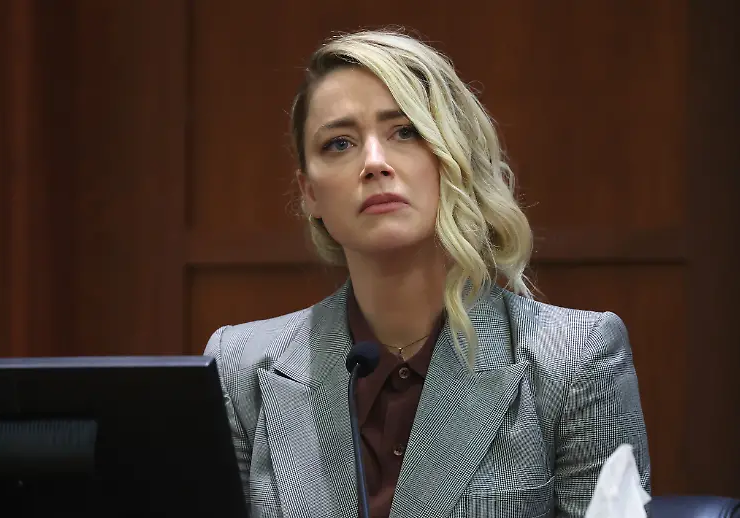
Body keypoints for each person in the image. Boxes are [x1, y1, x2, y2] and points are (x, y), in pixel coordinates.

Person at [204, 28, 651, 518]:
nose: (374, 163)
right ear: (309, 193)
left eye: (405, 132)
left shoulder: (575, 359)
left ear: (453, 155)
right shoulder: (240, 367)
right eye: (339, 143)